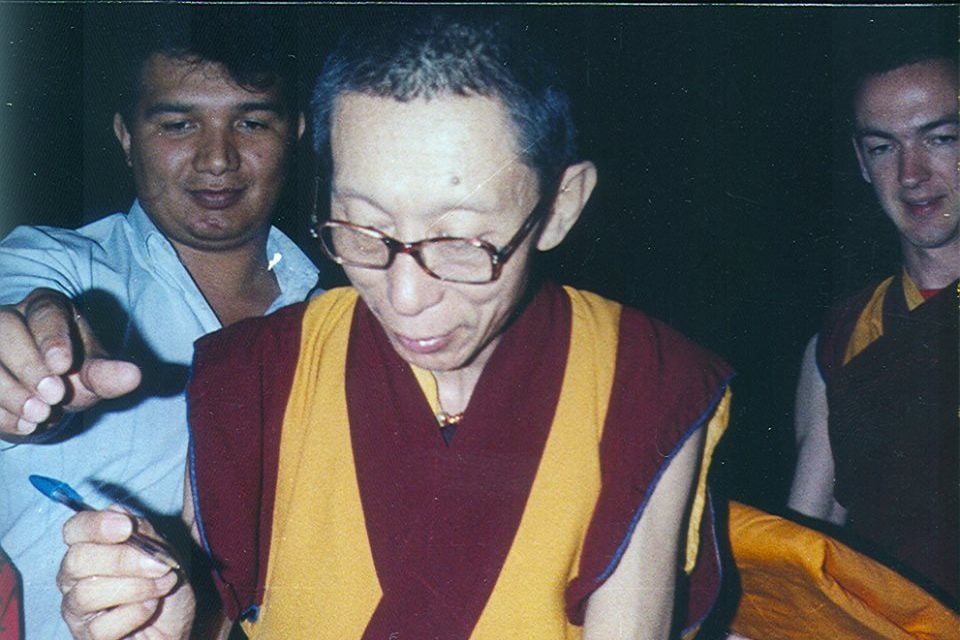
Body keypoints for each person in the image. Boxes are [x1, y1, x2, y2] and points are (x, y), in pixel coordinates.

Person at [60, 11, 732, 638]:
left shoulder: (643, 378)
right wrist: (168, 617)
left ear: (560, 207)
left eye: (462, 241)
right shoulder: (262, 367)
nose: (405, 297)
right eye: (363, 228)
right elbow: (209, 606)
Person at [0, 6, 319, 637]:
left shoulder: (342, 321)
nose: (217, 159)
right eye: (178, 124)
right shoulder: (52, 262)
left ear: (298, 132)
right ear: (126, 135)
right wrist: (30, 376)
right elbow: (22, 310)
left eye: (252, 122)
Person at [788, 41, 958, 607]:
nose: (913, 175)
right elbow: (805, 543)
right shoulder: (845, 337)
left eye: (940, 138)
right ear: (862, 164)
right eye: (884, 148)